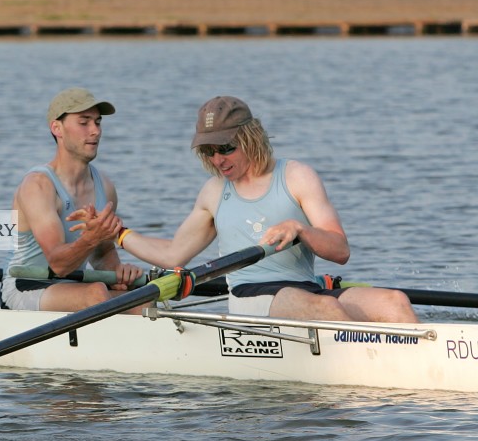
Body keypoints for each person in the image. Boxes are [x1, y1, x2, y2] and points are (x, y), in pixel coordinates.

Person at [117, 95, 418, 322]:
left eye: (225, 148)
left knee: (395, 302)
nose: (217, 160)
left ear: (251, 138)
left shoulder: (297, 177)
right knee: (326, 308)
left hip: (307, 289)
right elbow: (173, 255)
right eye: (209, 151)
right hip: (251, 296)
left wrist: (300, 230)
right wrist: (118, 234)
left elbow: (340, 251)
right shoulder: (213, 192)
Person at [0, 87, 143, 311]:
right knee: (96, 293)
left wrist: (119, 273)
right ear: (57, 128)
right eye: (84, 122)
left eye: (98, 122)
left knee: (144, 301)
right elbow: (58, 264)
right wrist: (91, 238)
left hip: (73, 286)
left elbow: (102, 252)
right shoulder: (37, 186)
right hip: (25, 287)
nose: (95, 131)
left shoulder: (104, 186)